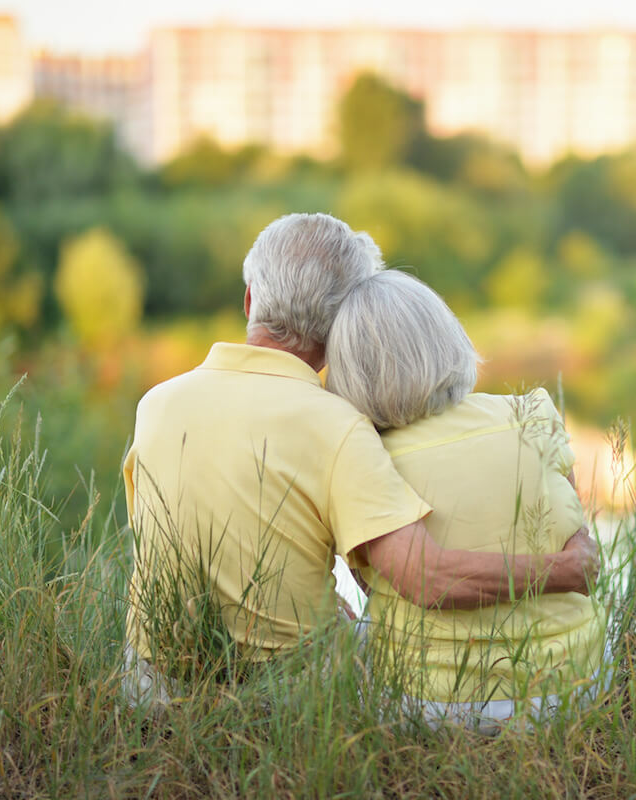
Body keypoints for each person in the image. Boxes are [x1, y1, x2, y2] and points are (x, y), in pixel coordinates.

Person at [121, 213, 599, 705]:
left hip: (150, 682)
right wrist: (563, 569)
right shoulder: (337, 424)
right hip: (286, 695)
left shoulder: (155, 404)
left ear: (249, 300)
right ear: (344, 326)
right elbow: (425, 577)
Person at [325, 269, 608, 734]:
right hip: (578, 685)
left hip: (430, 703)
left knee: (335, 642)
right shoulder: (531, 412)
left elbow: (373, 581)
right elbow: (572, 533)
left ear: (350, 371)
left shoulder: (364, 458)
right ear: (447, 337)